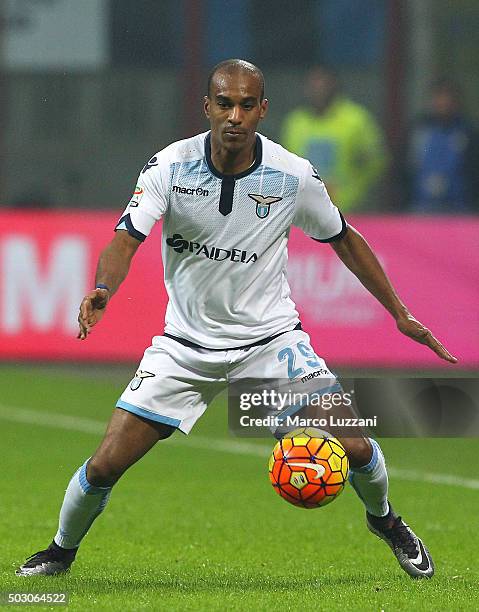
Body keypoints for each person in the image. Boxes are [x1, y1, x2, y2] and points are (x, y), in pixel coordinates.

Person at [17, 59, 456, 579]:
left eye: (247, 105)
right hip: (184, 347)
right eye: (224, 103)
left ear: (263, 110)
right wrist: (103, 288)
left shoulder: (291, 175)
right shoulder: (169, 167)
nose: (235, 115)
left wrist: (400, 314)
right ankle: (59, 552)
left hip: (268, 344)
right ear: (206, 107)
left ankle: (386, 521)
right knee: (105, 464)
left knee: (354, 446)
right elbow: (125, 237)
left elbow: (344, 236)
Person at [281, 66, 387, 212]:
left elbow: (377, 162)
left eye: (322, 85)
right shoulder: (295, 123)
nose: (318, 91)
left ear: (334, 86)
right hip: (306, 212)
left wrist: (357, 193)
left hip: (350, 211)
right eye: (313, 86)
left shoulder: (356, 120)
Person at [406, 78, 479, 213]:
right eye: (440, 97)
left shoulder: (468, 133)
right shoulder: (418, 130)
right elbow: (405, 168)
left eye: (448, 98)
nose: (444, 102)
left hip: (459, 209)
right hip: (421, 208)